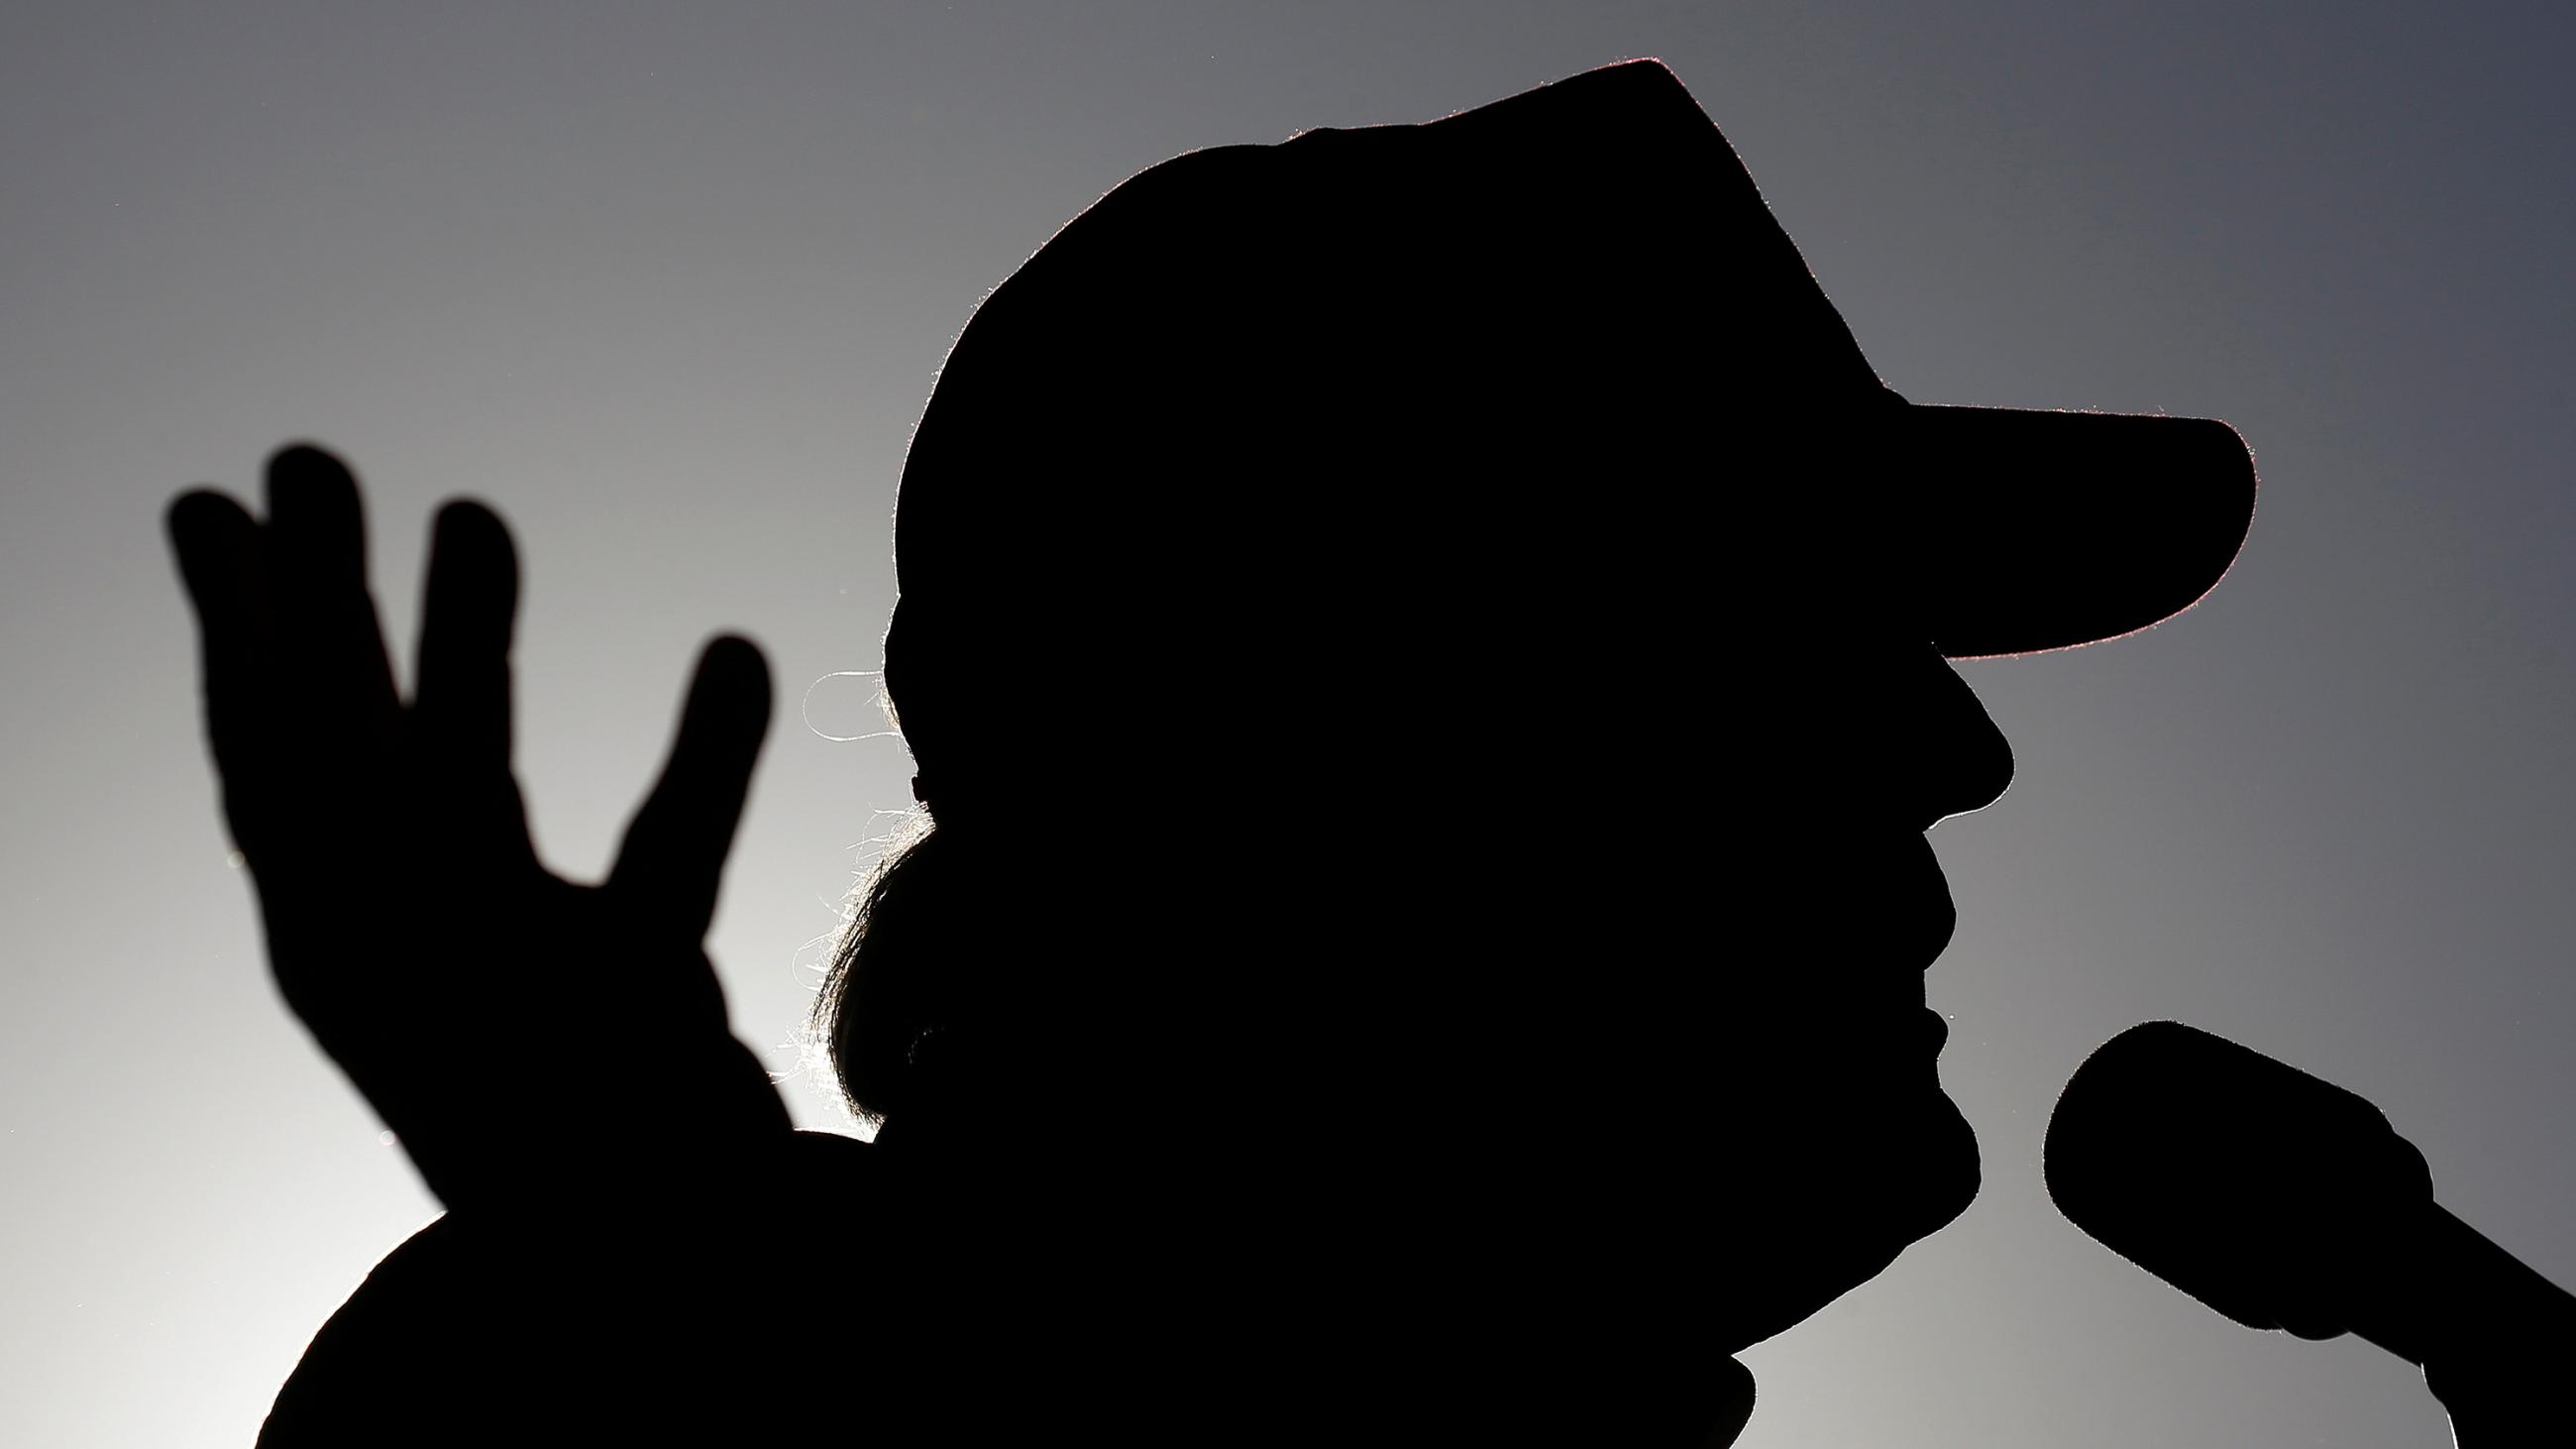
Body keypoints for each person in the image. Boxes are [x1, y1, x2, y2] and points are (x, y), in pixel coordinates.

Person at [169, 59, 2252, 1445]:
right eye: (1768, 632)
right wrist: (663, 1302)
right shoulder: (626, 1381)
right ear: (1305, 771)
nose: (1953, 746)